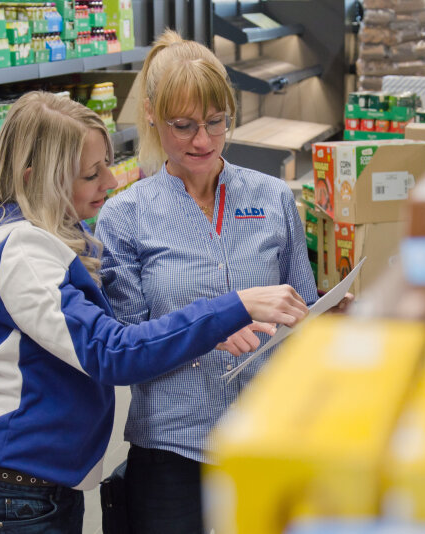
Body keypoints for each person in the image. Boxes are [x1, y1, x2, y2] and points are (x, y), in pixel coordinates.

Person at [0, 91, 309, 534]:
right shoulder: (20, 254)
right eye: (92, 174)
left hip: (36, 487)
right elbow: (111, 350)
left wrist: (209, 329)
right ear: (37, 179)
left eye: (107, 165)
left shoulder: (45, 236)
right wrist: (235, 305)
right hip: (11, 495)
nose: (110, 182)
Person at [94, 31, 323, 534]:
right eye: (184, 126)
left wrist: (328, 315)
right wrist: (209, 330)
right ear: (151, 114)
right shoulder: (125, 217)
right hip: (174, 448)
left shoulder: (271, 197)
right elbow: (126, 349)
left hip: (267, 436)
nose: (203, 141)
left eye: (217, 123)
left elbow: (300, 306)